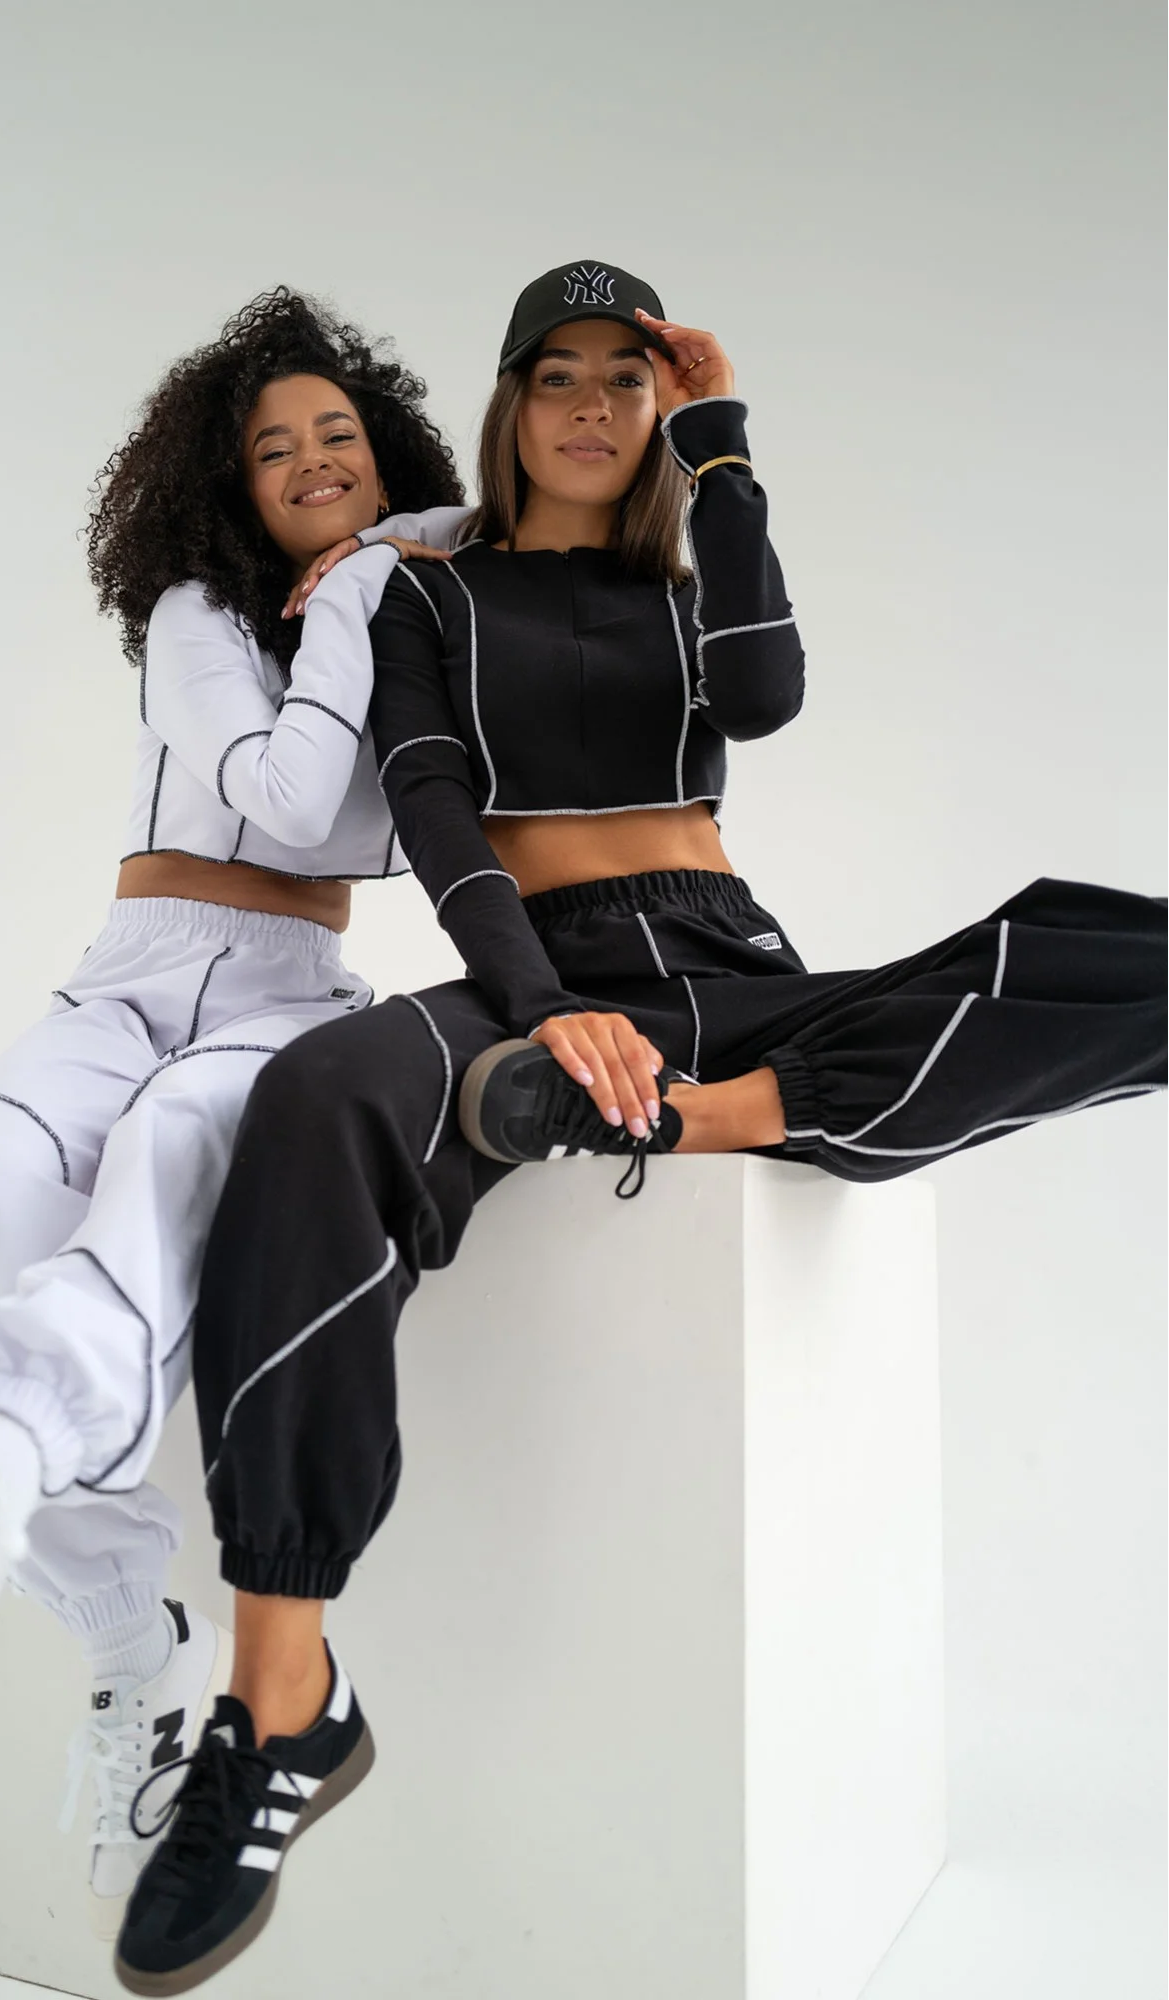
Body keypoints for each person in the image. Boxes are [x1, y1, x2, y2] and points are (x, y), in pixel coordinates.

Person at [108, 261, 1167, 1996]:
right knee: (320, 1094)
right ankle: (281, 1695)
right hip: (537, 978)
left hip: (725, 973)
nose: (593, 407)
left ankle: (718, 1116)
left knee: (1108, 952)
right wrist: (538, 1005)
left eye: (627, 379)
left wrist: (720, 440)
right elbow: (437, 817)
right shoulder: (430, 594)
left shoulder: (689, 594)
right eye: (559, 376)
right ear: (508, 404)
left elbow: (764, 695)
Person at [0, 287, 469, 1936]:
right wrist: (379, 573)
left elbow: (327, 787)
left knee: (171, 1152)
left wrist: (387, 571)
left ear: (387, 458)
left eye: (339, 438)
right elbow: (274, 785)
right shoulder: (193, 615)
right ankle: (121, 1637)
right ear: (229, 485)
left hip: (289, 993)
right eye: (273, 448)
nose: (309, 462)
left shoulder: (411, 623)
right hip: (130, 973)